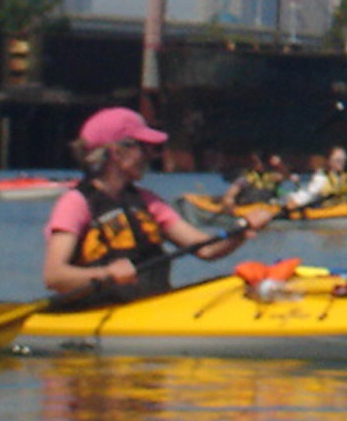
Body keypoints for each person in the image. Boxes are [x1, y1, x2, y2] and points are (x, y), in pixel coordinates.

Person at [42, 107, 260, 304]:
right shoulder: (76, 203)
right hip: (96, 311)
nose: (151, 155)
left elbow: (206, 249)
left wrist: (242, 228)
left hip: (151, 307)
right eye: (144, 147)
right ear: (117, 152)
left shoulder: (148, 201)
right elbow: (54, 276)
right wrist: (107, 273)